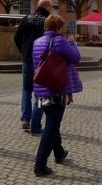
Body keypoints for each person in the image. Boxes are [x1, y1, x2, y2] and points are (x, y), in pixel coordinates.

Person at [32, 14, 82, 177]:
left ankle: (59, 152)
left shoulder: (37, 42)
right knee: (52, 124)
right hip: (56, 88)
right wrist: (73, 43)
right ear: (58, 27)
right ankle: (40, 164)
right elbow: (75, 58)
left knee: (52, 120)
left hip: (41, 87)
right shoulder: (60, 41)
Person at [14, 0, 51, 134]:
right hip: (42, 61)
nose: (51, 10)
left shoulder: (26, 18)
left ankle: (25, 119)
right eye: (51, 7)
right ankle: (36, 123)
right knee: (41, 91)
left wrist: (23, 51)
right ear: (46, 7)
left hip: (27, 59)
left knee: (26, 89)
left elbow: (16, 37)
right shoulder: (48, 21)